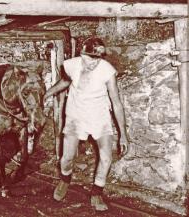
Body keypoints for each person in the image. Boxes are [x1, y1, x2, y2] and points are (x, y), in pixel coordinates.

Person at [44, 37, 129, 211]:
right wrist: (49, 93)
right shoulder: (72, 64)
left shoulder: (107, 71)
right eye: (89, 58)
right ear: (82, 54)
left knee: (106, 158)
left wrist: (123, 135)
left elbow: (116, 102)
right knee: (66, 158)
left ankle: (97, 192)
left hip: (99, 116)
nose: (92, 63)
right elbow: (66, 81)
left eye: (97, 59)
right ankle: (65, 180)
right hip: (76, 115)